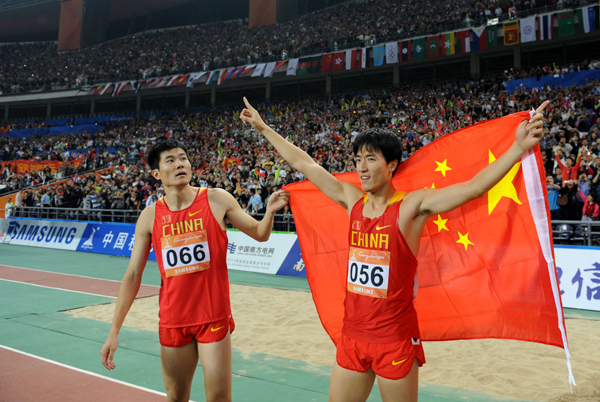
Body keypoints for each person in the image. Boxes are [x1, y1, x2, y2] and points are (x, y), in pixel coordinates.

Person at [240, 97, 547, 402]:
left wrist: (519, 148)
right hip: (353, 337)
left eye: (370, 159)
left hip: (395, 340)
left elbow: (474, 188)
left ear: (391, 165)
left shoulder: (411, 206)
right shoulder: (351, 200)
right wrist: (263, 127)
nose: (361, 167)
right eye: (357, 159)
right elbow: (304, 163)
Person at [99, 139, 289, 402]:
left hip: (213, 316)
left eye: (183, 158)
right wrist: (113, 332)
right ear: (156, 174)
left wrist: (268, 212)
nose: (180, 164)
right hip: (173, 319)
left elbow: (259, 233)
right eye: (171, 160)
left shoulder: (216, 199)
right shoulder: (150, 217)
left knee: (219, 397)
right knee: (176, 397)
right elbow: (132, 276)